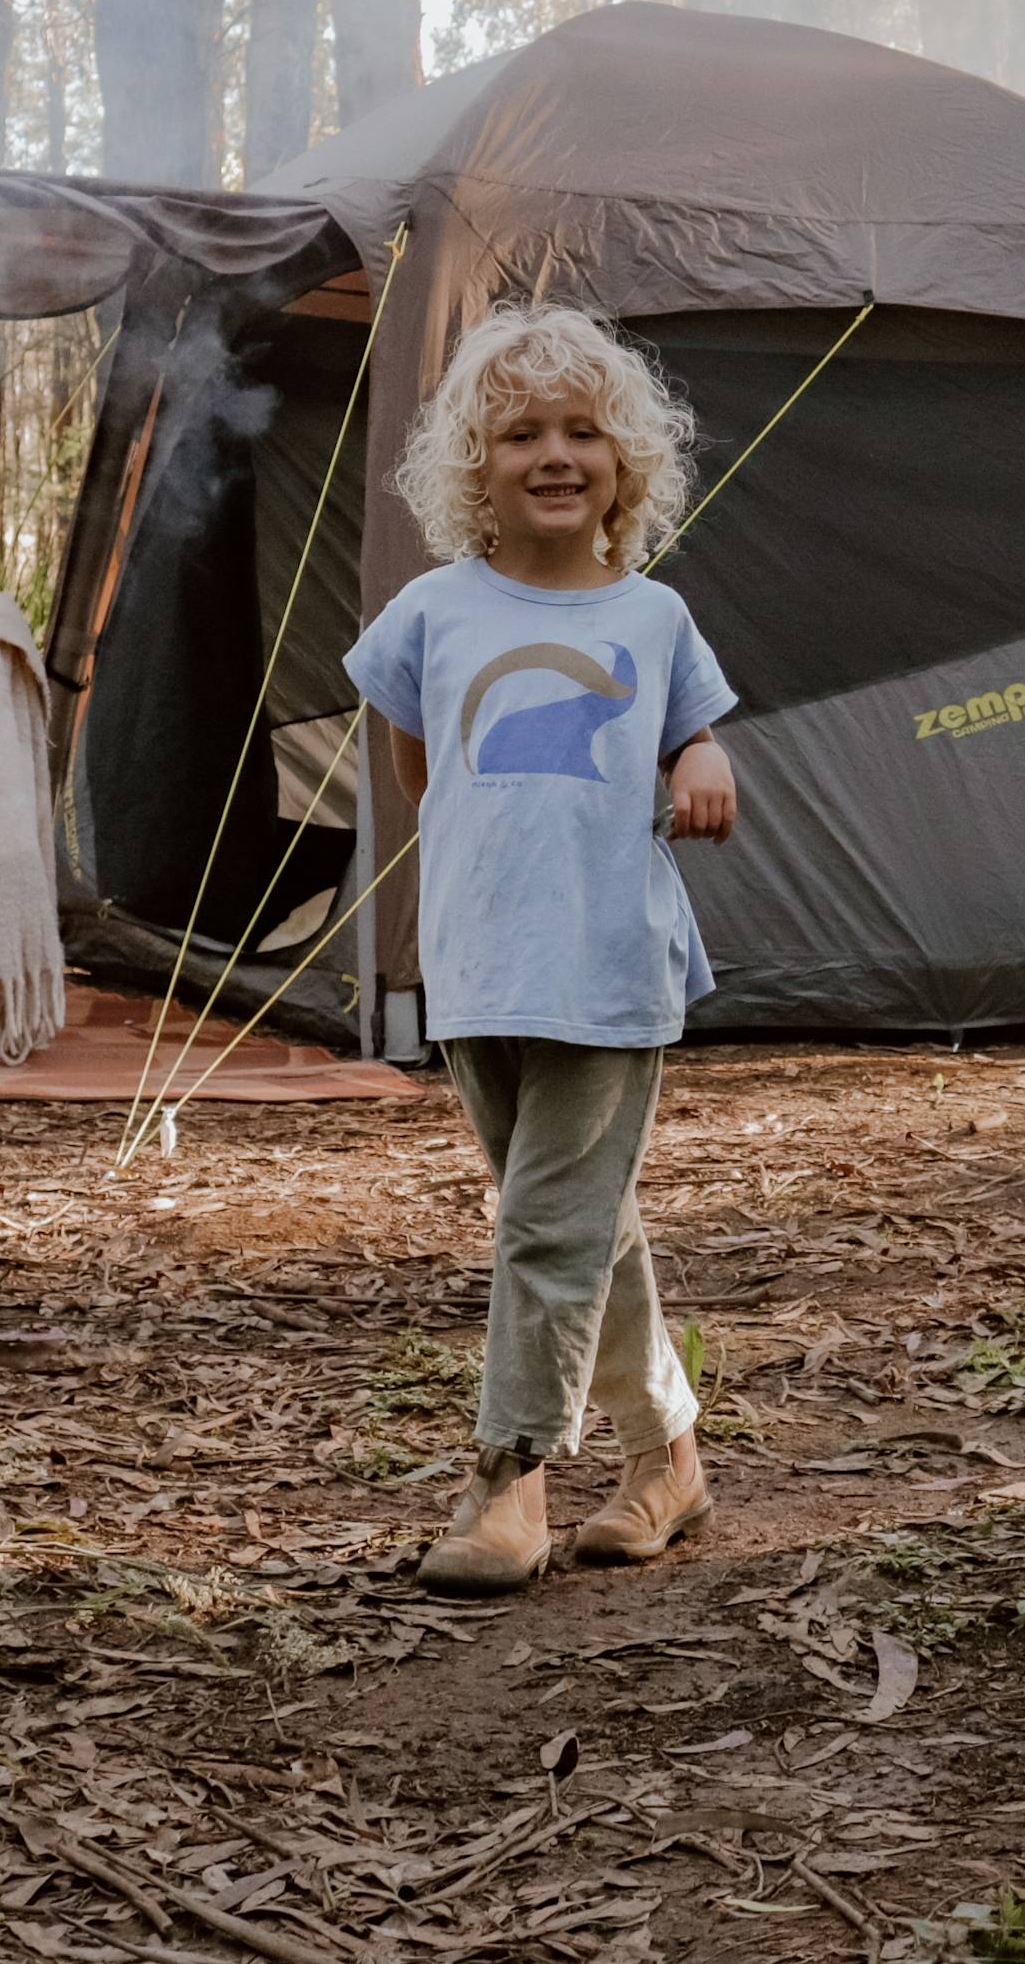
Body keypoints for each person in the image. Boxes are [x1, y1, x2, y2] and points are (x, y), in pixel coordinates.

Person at [344, 305, 741, 1597]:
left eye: (583, 431)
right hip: (478, 968)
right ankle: (668, 1454)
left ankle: (507, 1480)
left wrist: (702, 759)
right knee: (581, 1224)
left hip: (609, 966)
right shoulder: (430, 613)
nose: (554, 453)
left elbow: (692, 736)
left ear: (626, 464)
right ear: (476, 467)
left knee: (544, 1227)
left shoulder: (655, 618)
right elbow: (419, 769)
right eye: (520, 432)